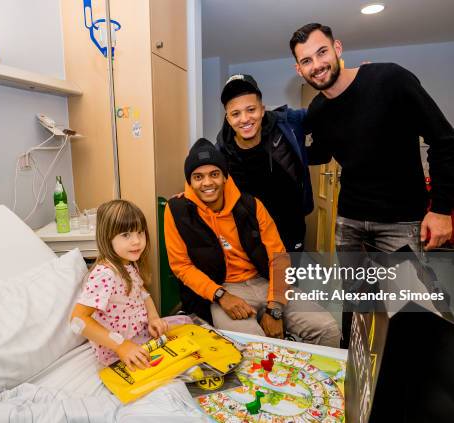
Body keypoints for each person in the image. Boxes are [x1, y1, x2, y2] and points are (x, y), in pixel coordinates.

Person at [289, 23, 454, 253]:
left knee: (404, 289)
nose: (317, 65)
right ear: (299, 69)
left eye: (322, 52)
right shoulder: (318, 110)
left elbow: (445, 141)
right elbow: (322, 152)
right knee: (355, 288)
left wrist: (441, 209)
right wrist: (283, 151)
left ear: (337, 48)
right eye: (306, 60)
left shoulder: (391, 79)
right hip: (350, 218)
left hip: (401, 220)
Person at [164, 138, 340, 346]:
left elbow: (279, 257)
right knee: (254, 345)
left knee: (327, 329)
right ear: (190, 182)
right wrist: (220, 295)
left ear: (225, 177)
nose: (207, 183)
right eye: (198, 177)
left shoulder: (251, 206)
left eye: (214, 174)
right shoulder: (176, 210)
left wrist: (274, 308)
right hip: (223, 287)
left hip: (264, 280)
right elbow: (181, 266)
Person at [70, 200, 177, 370]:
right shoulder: (105, 274)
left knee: (186, 327)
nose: (137, 241)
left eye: (140, 232)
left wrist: (153, 317)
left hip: (139, 332)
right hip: (117, 347)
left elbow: (142, 292)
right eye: (126, 235)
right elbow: (77, 320)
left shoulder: (128, 262)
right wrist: (121, 346)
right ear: (107, 237)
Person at [216, 74, 312, 252]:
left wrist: (355, 84)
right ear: (228, 119)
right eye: (235, 114)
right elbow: (204, 178)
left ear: (262, 109)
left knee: (288, 278)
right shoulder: (222, 150)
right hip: (250, 234)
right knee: (259, 279)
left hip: (290, 229)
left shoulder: (286, 123)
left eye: (251, 109)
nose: (244, 119)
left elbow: (324, 112)